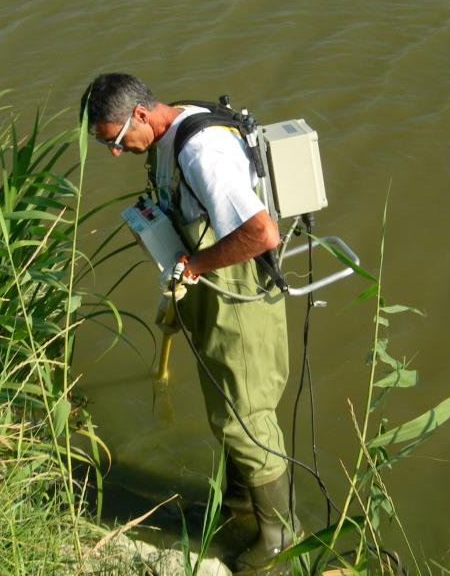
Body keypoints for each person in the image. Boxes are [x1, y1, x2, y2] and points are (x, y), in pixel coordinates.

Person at [80, 73, 300, 574]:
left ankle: (280, 538)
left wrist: (195, 269)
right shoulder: (164, 136)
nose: (116, 152)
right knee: (225, 410)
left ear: (140, 114)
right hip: (208, 295)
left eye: (115, 139)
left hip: (239, 299)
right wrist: (180, 293)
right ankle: (241, 506)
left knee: (247, 418)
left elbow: (261, 233)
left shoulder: (203, 152)